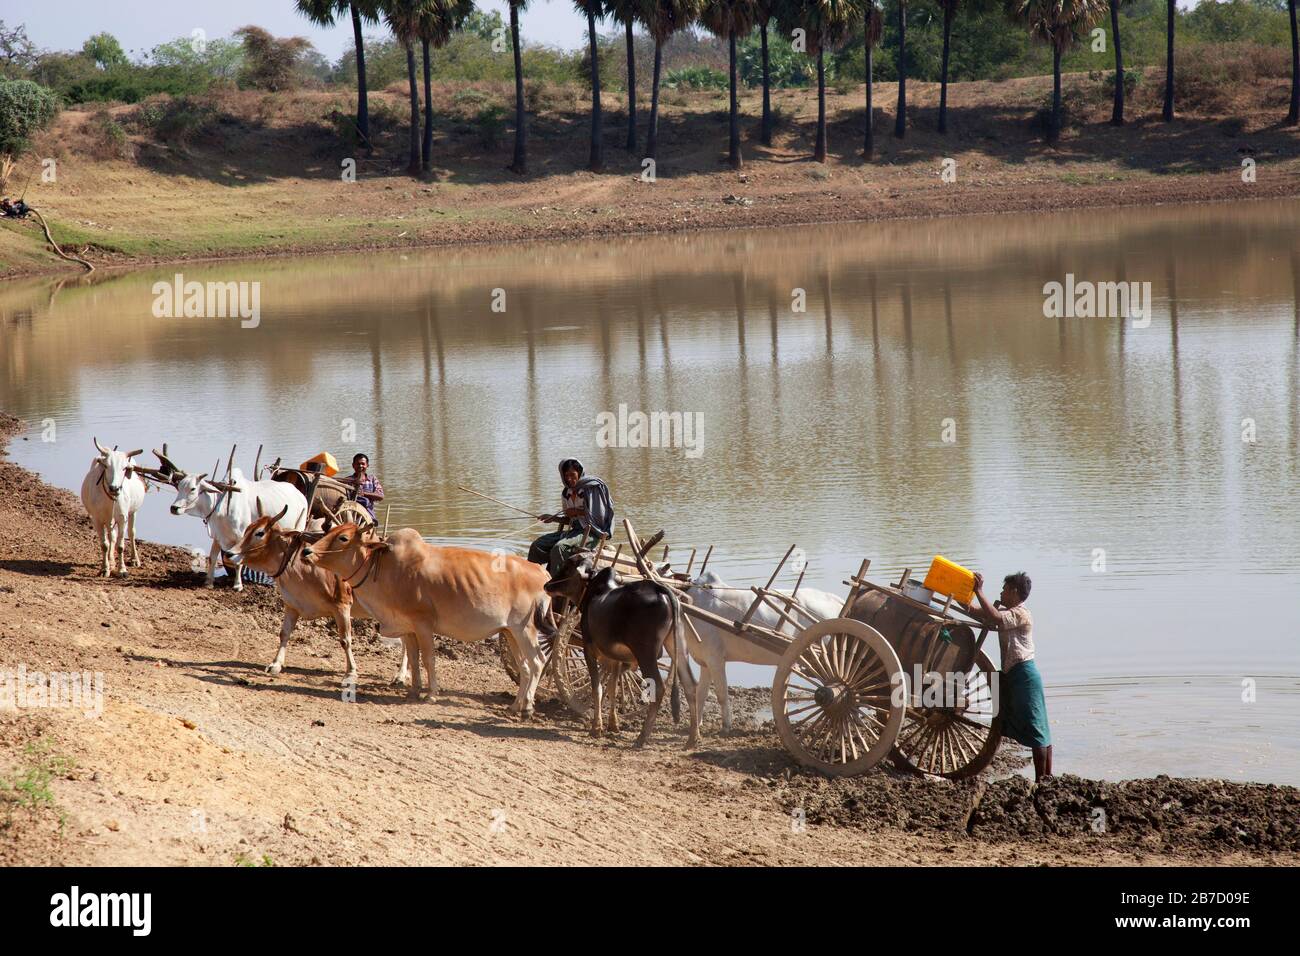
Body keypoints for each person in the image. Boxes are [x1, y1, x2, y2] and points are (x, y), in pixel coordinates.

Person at [967, 570, 1053, 781]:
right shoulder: (1009, 613)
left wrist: (979, 591)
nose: (1002, 593)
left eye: (1004, 589)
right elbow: (981, 613)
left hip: (1024, 676)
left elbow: (995, 616)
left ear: (1014, 592)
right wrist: (961, 598)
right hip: (1014, 675)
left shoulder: (1021, 614)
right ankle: (1044, 779)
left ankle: (1043, 779)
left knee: (1038, 732)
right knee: (1038, 729)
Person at [527, 458, 614, 577]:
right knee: (537, 545)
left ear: (580, 473)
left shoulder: (592, 489)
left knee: (560, 548)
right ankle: (533, 578)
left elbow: (600, 515)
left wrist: (578, 511)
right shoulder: (566, 493)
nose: (569, 478)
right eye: (566, 475)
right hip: (573, 532)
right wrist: (552, 518)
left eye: (572, 475)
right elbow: (569, 519)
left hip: (591, 533)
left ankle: (556, 583)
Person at [341, 453, 384, 521]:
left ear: (367, 465)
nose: (360, 466)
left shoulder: (372, 479)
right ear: (353, 465)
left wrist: (364, 494)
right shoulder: (347, 480)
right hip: (350, 516)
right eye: (358, 464)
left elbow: (380, 496)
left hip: (368, 516)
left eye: (363, 464)